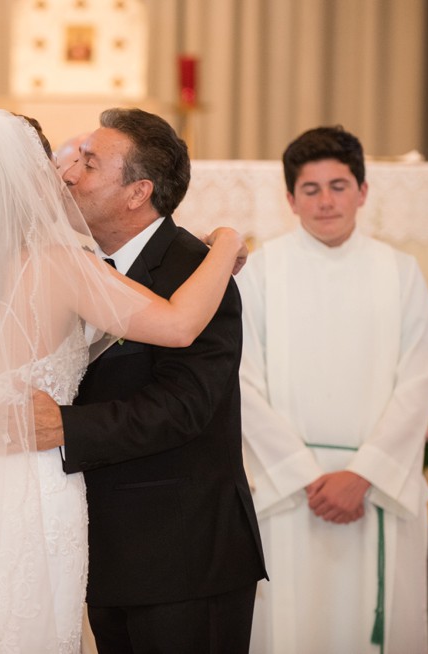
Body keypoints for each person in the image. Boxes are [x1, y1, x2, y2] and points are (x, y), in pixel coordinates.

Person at [0, 109, 248, 653]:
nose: (67, 175)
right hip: (33, 495)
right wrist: (229, 240)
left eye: (85, 163)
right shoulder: (66, 267)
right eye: (61, 164)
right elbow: (180, 324)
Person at [31, 107, 267, 653]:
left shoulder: (196, 271)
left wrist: (65, 426)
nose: (68, 174)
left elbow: (185, 406)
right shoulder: (80, 267)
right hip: (104, 549)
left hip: (182, 554)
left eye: (89, 164)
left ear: (138, 192)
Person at [236, 126, 428, 653]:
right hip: (290, 493)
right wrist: (304, 476)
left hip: (374, 490)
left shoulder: (400, 272)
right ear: (290, 199)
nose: (326, 201)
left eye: (339, 185)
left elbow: (421, 377)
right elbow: (241, 381)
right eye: (310, 189)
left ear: (363, 191)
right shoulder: (258, 273)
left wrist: (364, 472)